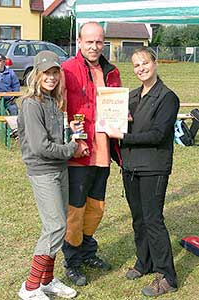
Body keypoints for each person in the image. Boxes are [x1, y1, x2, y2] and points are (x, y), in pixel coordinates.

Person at [105, 46, 179, 297]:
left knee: (153, 220)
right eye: (136, 65)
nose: (141, 68)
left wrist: (124, 135)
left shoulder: (167, 97)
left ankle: (167, 276)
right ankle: (144, 262)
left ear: (155, 63)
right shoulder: (133, 96)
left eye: (145, 63)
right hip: (132, 166)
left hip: (154, 167)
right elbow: (114, 118)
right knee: (138, 219)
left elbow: (159, 134)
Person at [17, 50, 83, 300]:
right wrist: (71, 149)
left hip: (58, 168)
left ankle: (47, 280)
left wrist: (70, 131)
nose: (52, 77)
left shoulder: (52, 101)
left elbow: (53, 138)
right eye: (47, 72)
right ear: (37, 74)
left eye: (55, 72)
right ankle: (31, 287)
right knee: (55, 226)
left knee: (56, 225)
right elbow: (40, 146)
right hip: (43, 171)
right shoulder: (32, 104)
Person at [61, 21, 122, 286]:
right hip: (78, 154)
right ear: (79, 41)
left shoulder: (112, 71)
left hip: (103, 152)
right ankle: (72, 261)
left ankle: (87, 251)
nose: (94, 46)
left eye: (99, 42)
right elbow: (58, 109)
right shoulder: (66, 70)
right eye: (89, 42)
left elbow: (116, 108)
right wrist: (69, 136)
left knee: (96, 208)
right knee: (75, 210)